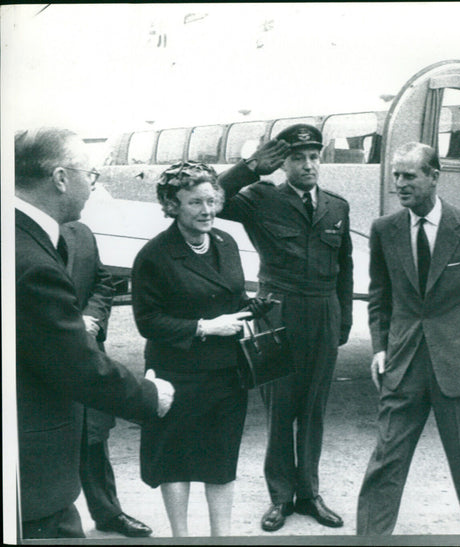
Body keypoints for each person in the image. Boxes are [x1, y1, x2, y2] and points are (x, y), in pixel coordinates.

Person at [356, 142, 460, 535]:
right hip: (402, 365)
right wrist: (380, 347)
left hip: (459, 364)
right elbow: (379, 296)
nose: (399, 184)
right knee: (386, 461)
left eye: (409, 175)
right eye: (396, 175)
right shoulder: (385, 229)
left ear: (434, 176)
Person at [14, 127, 174, 539]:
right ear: (61, 178)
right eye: (91, 174)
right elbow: (75, 366)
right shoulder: (31, 260)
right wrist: (149, 397)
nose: (94, 185)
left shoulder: (26, 237)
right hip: (32, 486)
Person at [217, 124, 353, 532]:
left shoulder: (336, 206)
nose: (308, 164)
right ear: (284, 163)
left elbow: (344, 268)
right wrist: (249, 167)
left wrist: (343, 318)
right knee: (280, 407)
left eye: (313, 156)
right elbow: (215, 199)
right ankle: (280, 497)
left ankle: (309, 493)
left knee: (314, 408)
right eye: (297, 157)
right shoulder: (260, 198)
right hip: (278, 311)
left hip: (324, 311)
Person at [131, 161, 270, 537]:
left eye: (212, 201)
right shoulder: (154, 255)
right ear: (172, 205)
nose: (207, 210)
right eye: (195, 203)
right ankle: (181, 537)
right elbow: (147, 321)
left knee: (220, 459)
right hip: (176, 374)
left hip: (226, 374)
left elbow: (233, 294)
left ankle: (221, 537)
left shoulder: (225, 242)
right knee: (174, 460)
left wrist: (250, 308)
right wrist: (204, 327)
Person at [61, 220, 153, 538]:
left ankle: (108, 512)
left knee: (94, 434)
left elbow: (102, 282)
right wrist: (69, 325)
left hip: (87, 353)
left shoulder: (81, 232)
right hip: (37, 360)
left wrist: (93, 318)